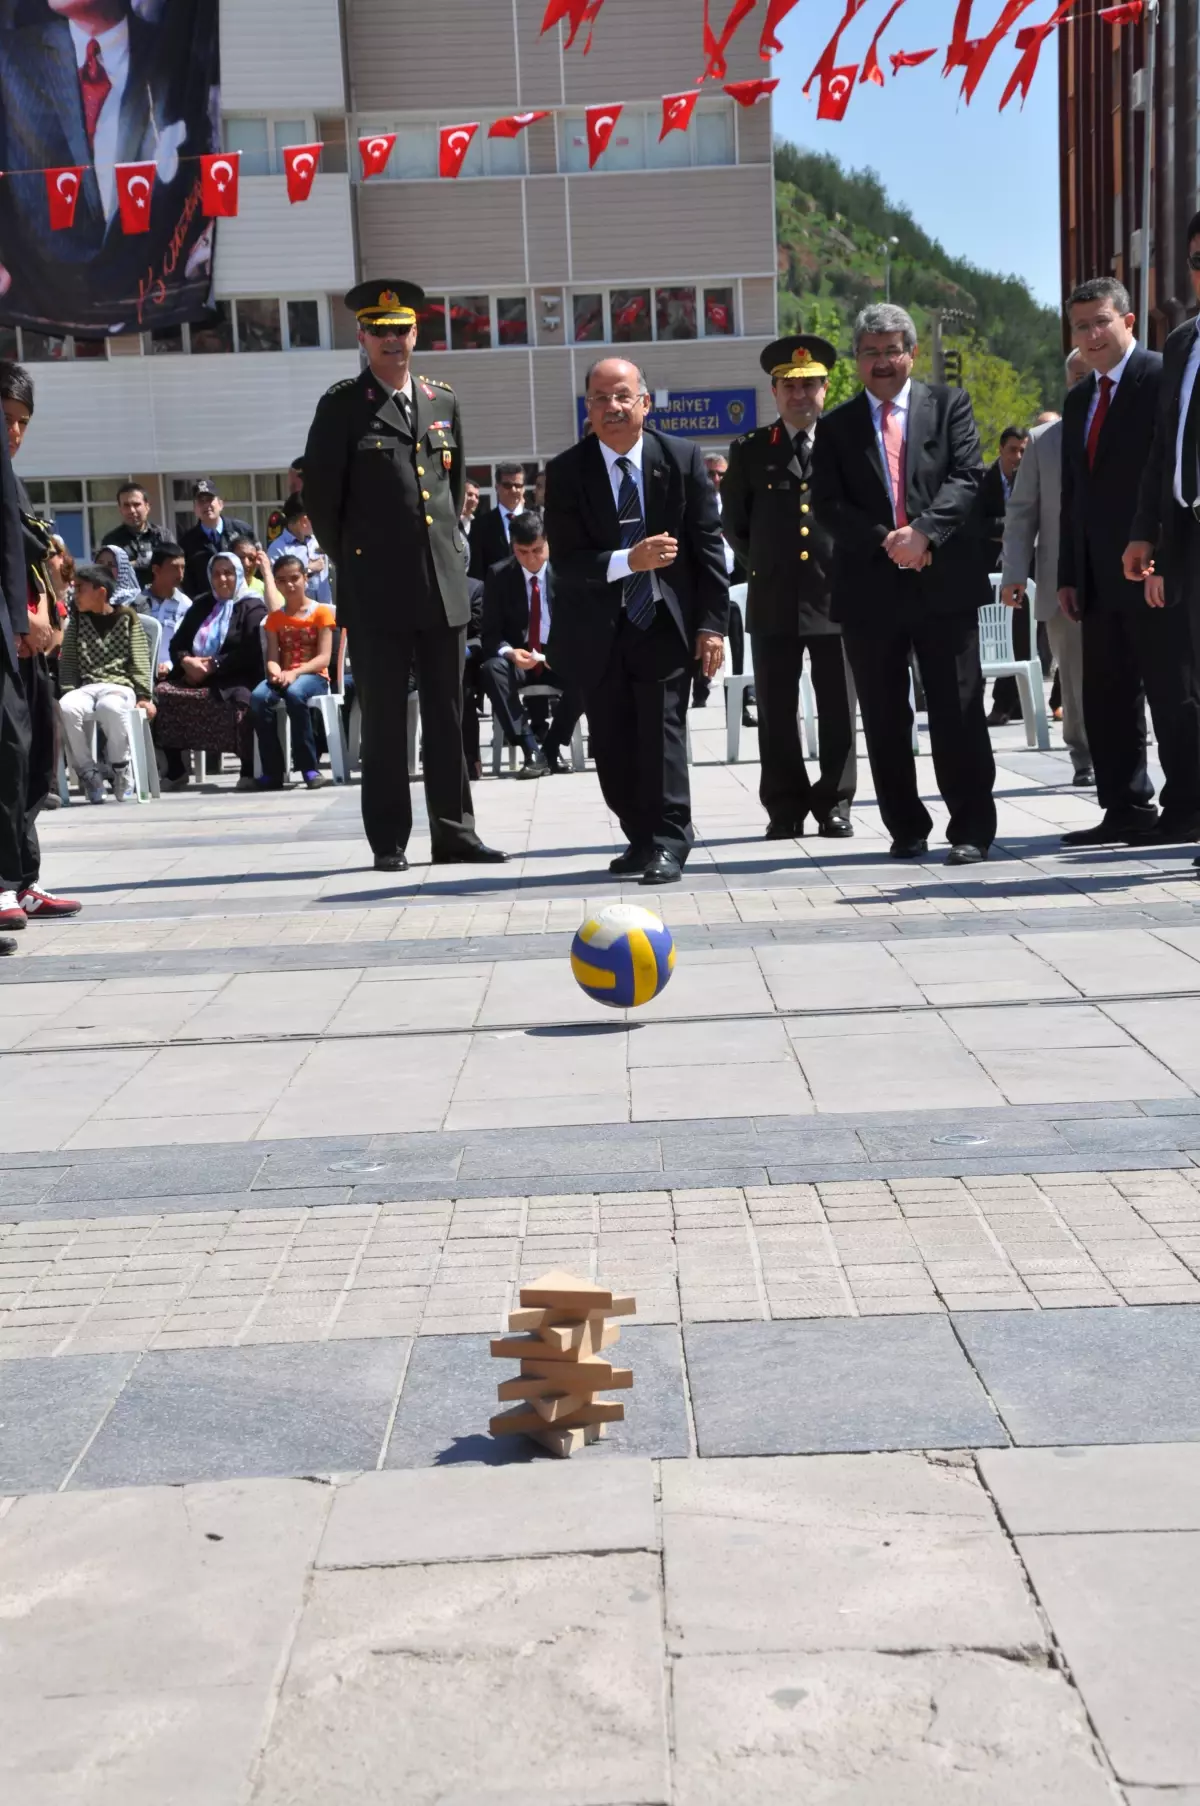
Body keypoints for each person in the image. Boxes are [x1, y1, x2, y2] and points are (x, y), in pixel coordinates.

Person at [302, 278, 505, 870]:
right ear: (362, 337)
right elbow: (321, 499)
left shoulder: (443, 401)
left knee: (447, 715)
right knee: (386, 720)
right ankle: (389, 841)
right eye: (380, 332)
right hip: (376, 588)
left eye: (402, 330)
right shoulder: (342, 405)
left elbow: (451, 487)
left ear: (417, 333)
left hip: (441, 584)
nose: (393, 341)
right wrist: (357, 559)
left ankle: (455, 832)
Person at [812, 302, 995, 865]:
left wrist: (924, 535)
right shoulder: (837, 425)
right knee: (886, 716)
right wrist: (888, 541)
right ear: (857, 360)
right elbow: (826, 505)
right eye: (871, 352)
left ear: (912, 354)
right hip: (871, 591)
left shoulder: (949, 405)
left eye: (893, 350)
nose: (883, 361)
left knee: (957, 708)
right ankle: (906, 827)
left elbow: (968, 478)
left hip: (943, 585)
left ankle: (970, 828)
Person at [544, 355, 728, 884]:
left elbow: (707, 549)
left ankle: (671, 839)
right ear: (588, 408)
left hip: (663, 625)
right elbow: (568, 562)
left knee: (663, 736)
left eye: (622, 396)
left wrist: (711, 625)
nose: (612, 408)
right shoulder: (566, 471)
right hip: (599, 630)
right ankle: (641, 837)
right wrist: (631, 560)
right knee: (612, 743)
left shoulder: (683, 458)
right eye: (600, 398)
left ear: (644, 403)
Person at [1058, 278, 1195, 846]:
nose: (1091, 335)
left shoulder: (1164, 376)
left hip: (1152, 567)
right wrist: (1068, 571)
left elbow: (1168, 470)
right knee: (1106, 696)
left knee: (1172, 690)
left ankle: (1188, 805)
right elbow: (1073, 494)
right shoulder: (1078, 398)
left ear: (1129, 321)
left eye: (1101, 322)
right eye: (1081, 326)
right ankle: (1124, 806)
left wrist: (1164, 552)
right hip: (1096, 575)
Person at [722, 334, 857, 840]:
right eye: (789, 387)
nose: (800, 396)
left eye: (810, 385)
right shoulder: (752, 451)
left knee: (839, 706)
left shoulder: (847, 445)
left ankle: (836, 803)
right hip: (774, 597)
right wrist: (766, 565)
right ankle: (784, 807)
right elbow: (735, 524)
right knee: (776, 710)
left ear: (826, 388)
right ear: (774, 392)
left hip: (835, 596)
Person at [1125, 210, 1200, 873]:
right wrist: (1145, 532)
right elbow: (1162, 450)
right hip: (1188, 538)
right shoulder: (1181, 343)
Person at [0, 359, 80, 929]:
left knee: (32, 760)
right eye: (5, 417)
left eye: (23, 420)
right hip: (8, 636)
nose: (14, 431)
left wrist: (44, 613)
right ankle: (2, 885)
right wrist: (20, 623)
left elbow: (29, 558)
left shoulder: (15, 480)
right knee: (5, 757)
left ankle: (25, 879)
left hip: (28, 643)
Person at [1000, 352, 1093, 785]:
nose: (1083, 382)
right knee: (1072, 677)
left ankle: (1124, 751)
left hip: (1122, 576)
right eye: (1077, 376)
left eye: (1091, 376)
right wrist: (1015, 572)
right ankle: (1084, 756)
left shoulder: (1132, 428)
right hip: (1061, 581)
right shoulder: (1042, 440)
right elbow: (1022, 512)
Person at [480, 508, 581, 777]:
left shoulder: (566, 572)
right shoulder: (499, 575)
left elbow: (583, 624)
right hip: (520, 658)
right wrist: (510, 652)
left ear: (548, 541)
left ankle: (551, 745)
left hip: (558, 655)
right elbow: (489, 633)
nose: (531, 559)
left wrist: (563, 650)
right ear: (513, 547)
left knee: (589, 669)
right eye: (523, 552)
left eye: (537, 550)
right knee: (492, 669)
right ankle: (529, 747)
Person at [153, 549, 266, 791]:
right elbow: (178, 643)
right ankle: (176, 770)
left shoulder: (252, 607)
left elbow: (250, 651)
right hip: (195, 675)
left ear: (238, 575)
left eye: (228, 573)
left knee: (243, 702)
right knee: (161, 695)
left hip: (236, 676)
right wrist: (186, 662)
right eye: (216, 574)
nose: (222, 579)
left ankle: (247, 768)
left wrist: (213, 665)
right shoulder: (203, 604)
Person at [57, 560, 153, 802]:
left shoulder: (128, 617)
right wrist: (68, 690)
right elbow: (68, 660)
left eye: (81, 588)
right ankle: (88, 772)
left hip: (120, 686)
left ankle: (121, 767)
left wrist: (144, 696)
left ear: (101, 592)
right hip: (87, 687)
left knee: (109, 707)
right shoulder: (78, 621)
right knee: (67, 707)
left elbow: (140, 657)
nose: (75, 594)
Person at [249, 553, 336, 790]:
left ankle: (308, 767)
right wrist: (276, 672)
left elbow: (323, 658)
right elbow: (273, 659)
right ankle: (273, 771)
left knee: (295, 694)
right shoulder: (274, 619)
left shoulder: (321, 613)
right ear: (275, 583)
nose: (289, 585)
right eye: (282, 580)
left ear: (305, 579)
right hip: (284, 675)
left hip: (314, 676)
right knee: (258, 698)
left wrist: (294, 673)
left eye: (295, 578)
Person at [694, 449, 751, 719]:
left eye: (721, 474)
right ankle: (700, 689)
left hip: (734, 580)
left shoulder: (738, 499)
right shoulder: (691, 501)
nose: (715, 478)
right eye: (710, 473)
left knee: (738, 646)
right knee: (703, 640)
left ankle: (737, 707)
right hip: (704, 584)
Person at [983, 427, 1033, 725]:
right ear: (1001, 449)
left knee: (1023, 638)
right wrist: (1013, 531)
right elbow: (975, 522)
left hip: (1024, 571)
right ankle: (1002, 703)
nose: (1018, 457)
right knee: (996, 638)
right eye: (1013, 450)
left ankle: (1012, 703)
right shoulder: (983, 481)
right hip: (988, 570)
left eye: (1023, 451)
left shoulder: (1030, 480)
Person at [179, 480, 255, 600]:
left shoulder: (241, 531)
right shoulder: (187, 542)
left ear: (220, 504)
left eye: (209, 500)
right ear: (195, 508)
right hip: (207, 606)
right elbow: (187, 580)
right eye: (201, 501)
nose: (206, 505)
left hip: (242, 600)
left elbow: (256, 565)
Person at [137, 541, 191, 676]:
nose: (180, 574)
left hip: (174, 674)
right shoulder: (137, 603)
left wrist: (169, 666)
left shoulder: (187, 605)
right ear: (156, 570)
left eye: (183, 567)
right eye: (174, 568)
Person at [268, 495, 332, 603]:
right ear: (304, 521)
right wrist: (308, 569)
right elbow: (276, 582)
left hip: (325, 612)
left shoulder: (319, 540)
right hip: (297, 615)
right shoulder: (278, 548)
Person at [469, 462, 526, 579]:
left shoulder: (537, 521)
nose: (514, 490)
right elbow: (476, 571)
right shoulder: (480, 526)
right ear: (497, 487)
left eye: (518, 485)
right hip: (495, 593)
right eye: (507, 485)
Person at [106, 484, 172, 586]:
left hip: (161, 599)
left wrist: (134, 564)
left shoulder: (163, 536)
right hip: (127, 600)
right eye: (126, 505)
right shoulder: (111, 542)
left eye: (136, 504)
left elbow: (173, 566)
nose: (132, 510)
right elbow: (108, 574)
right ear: (120, 509)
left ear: (147, 506)